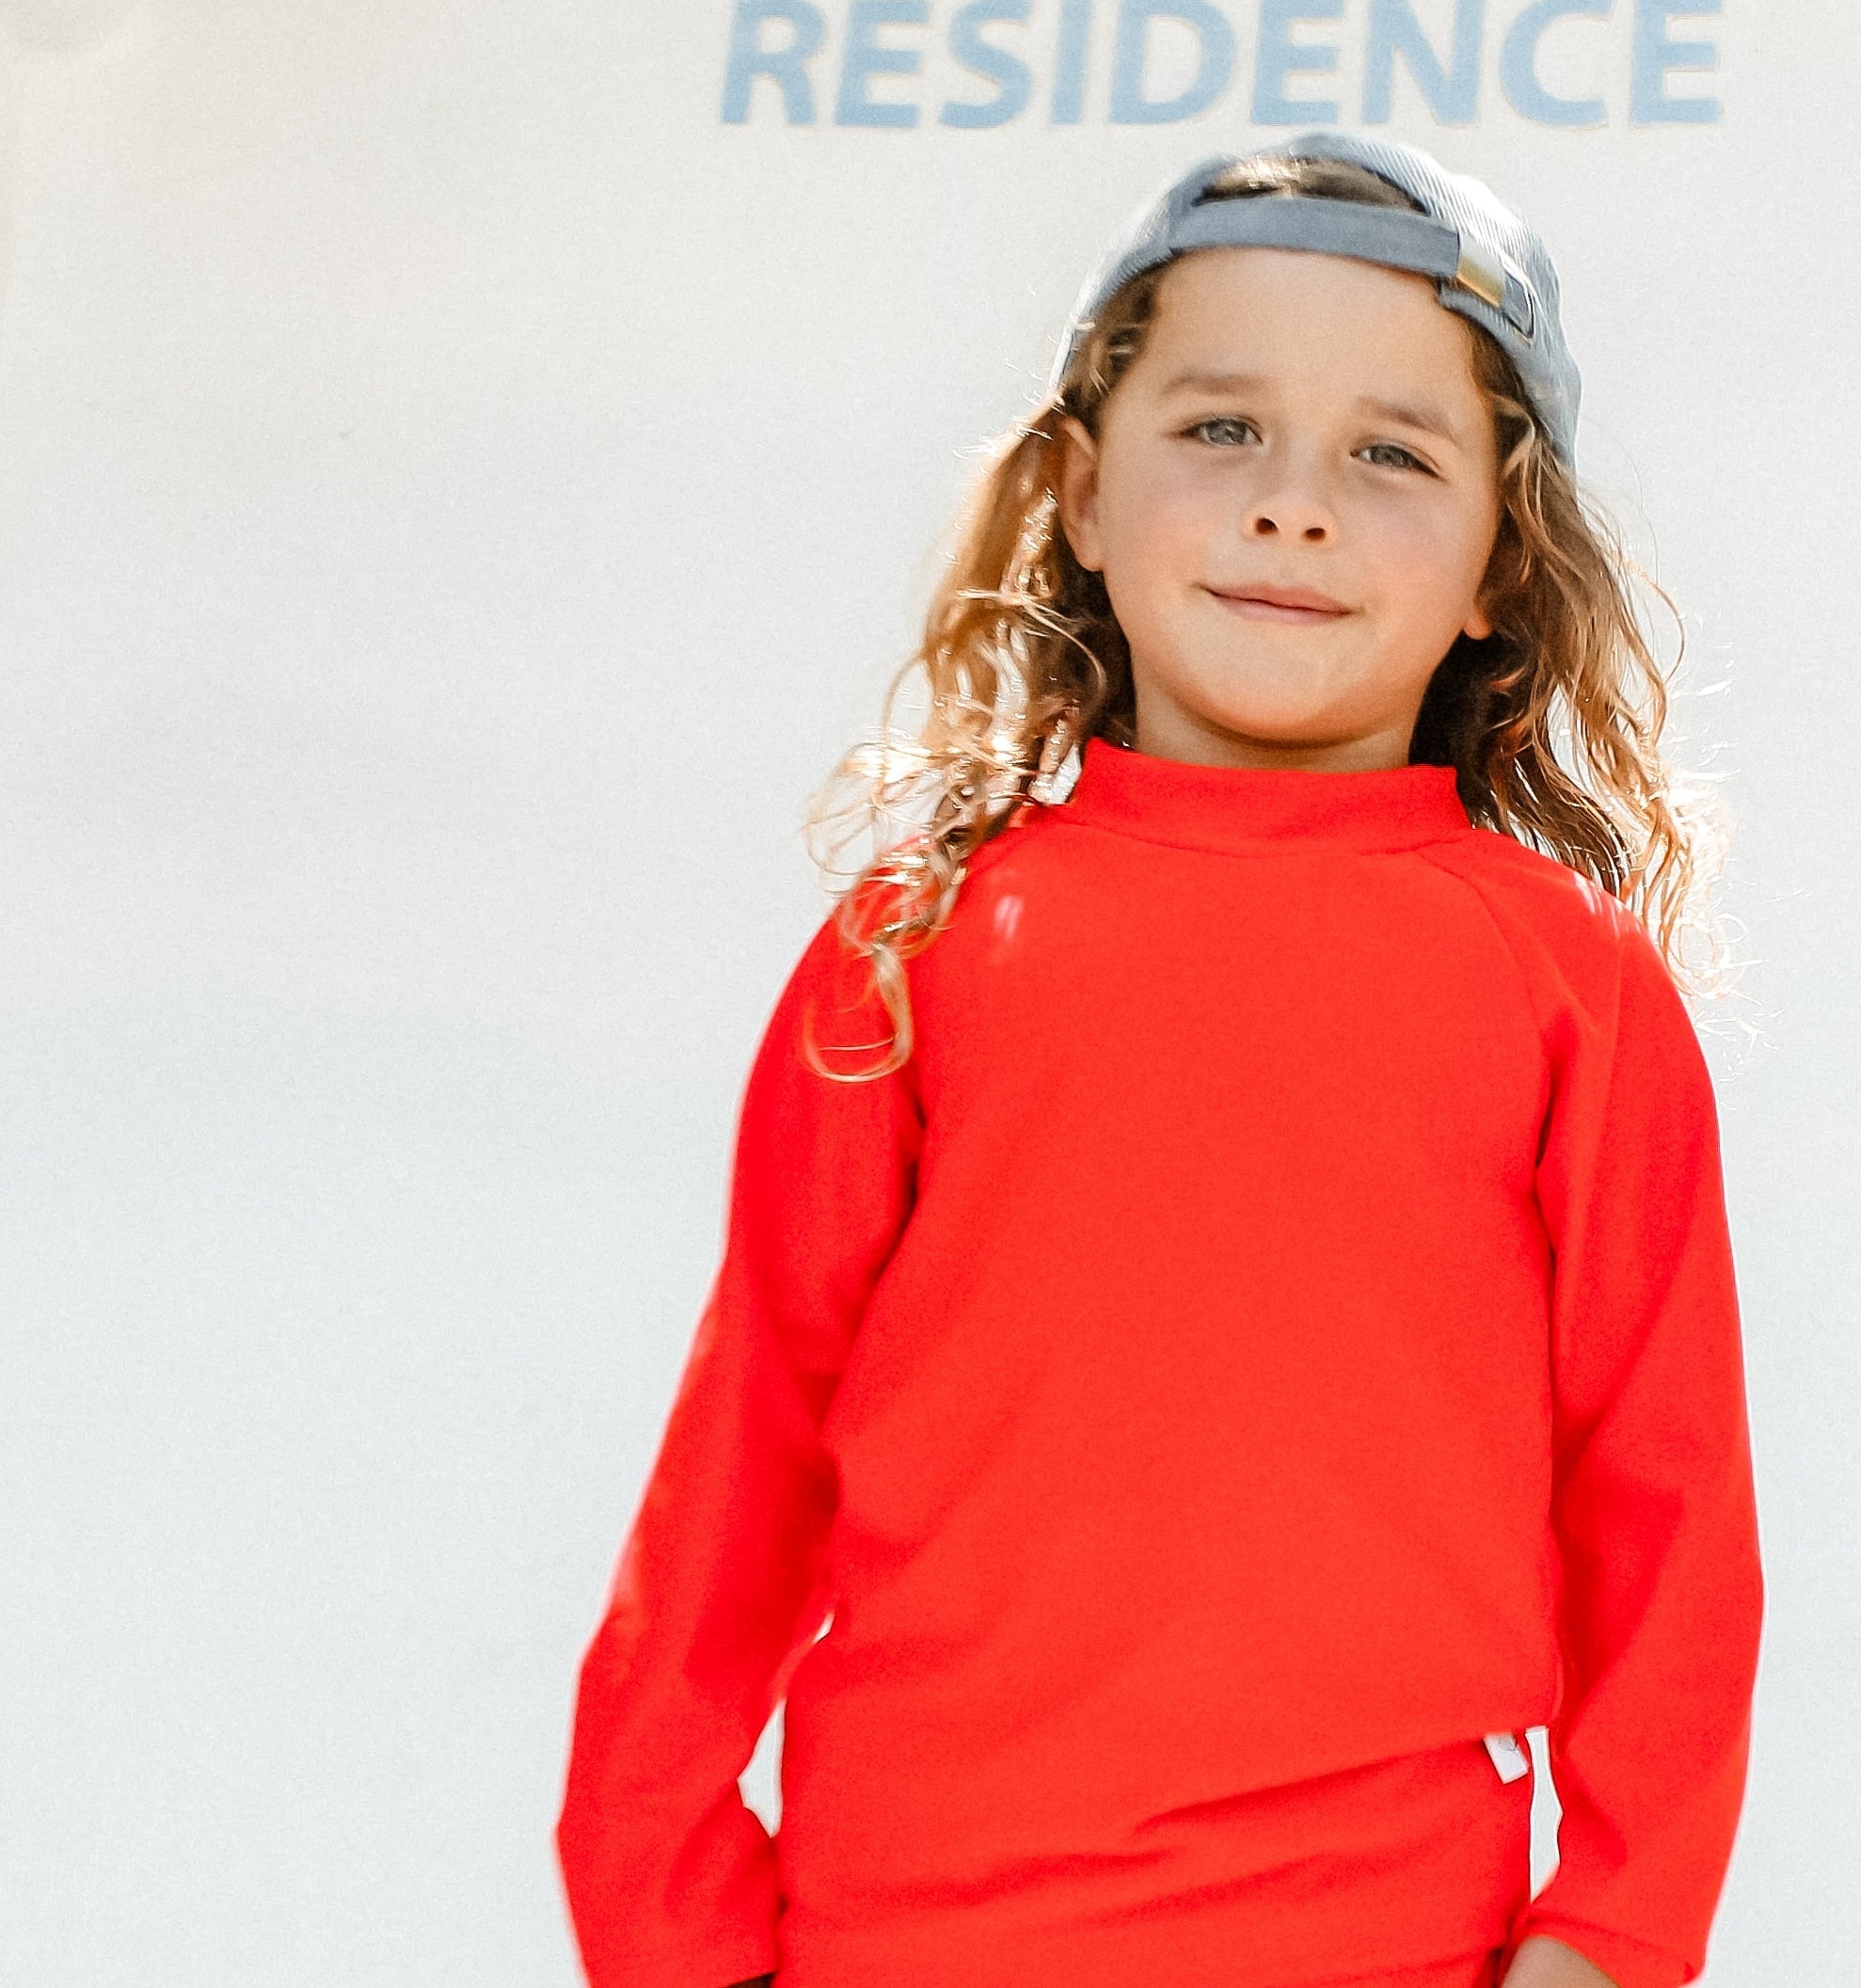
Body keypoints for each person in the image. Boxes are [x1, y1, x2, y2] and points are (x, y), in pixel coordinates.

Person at [555, 132, 1764, 1988]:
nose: (1297, 506)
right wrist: (672, 1929)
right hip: (899, 1943)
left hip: (1384, 1946)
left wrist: (1609, 1935)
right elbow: (740, 1477)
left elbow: (1668, 1511)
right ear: (1080, 495)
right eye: (1219, 429)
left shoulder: (1571, 987)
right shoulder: (910, 950)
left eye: (1391, 452)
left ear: (1501, 564)